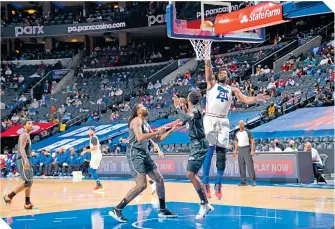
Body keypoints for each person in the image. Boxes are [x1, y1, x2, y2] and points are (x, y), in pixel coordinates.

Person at [202, 56, 269, 199]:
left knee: (221, 153)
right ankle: (205, 182)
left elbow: (246, 99)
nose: (221, 73)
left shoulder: (233, 89)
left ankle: (218, 183)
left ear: (228, 76)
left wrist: (256, 98)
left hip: (223, 121)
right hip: (210, 118)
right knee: (209, 150)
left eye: (224, 72)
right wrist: (207, 61)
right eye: (219, 72)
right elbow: (208, 74)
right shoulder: (212, 84)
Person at [109, 104, 180, 223]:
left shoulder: (145, 123)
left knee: (159, 179)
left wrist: (171, 130)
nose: (146, 107)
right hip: (135, 153)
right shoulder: (135, 121)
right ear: (138, 111)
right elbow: (140, 138)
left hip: (144, 153)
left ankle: (162, 209)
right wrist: (158, 131)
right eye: (143, 107)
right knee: (141, 185)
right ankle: (117, 209)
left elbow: (158, 139)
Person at [172, 90, 214, 219]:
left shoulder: (196, 110)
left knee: (190, 174)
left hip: (199, 144)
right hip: (196, 143)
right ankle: (205, 204)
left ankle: (204, 204)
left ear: (190, 99)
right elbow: (185, 120)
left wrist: (177, 107)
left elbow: (185, 118)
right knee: (191, 174)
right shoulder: (193, 109)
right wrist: (183, 108)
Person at [3, 120, 34, 209]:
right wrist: (25, 160)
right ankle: (8, 196)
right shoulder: (24, 135)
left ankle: (27, 203)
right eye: (29, 123)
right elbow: (21, 149)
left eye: (32, 123)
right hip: (23, 159)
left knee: (30, 181)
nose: (31, 124)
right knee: (27, 182)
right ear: (24, 126)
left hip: (26, 159)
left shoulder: (27, 135)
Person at [233, 120, 256, 186]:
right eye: (240, 124)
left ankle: (253, 181)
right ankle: (243, 181)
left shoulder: (248, 131)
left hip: (247, 148)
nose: (241, 125)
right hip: (240, 149)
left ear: (244, 124)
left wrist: (252, 150)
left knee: (250, 165)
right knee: (241, 166)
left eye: (242, 123)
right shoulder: (237, 133)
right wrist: (236, 151)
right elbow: (236, 142)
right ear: (238, 125)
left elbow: (252, 141)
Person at [81, 127, 104, 192]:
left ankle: (99, 185)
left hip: (96, 155)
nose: (89, 132)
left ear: (93, 131)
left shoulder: (93, 137)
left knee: (91, 170)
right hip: (96, 155)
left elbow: (95, 147)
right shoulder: (93, 138)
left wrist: (86, 151)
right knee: (92, 170)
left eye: (90, 131)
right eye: (88, 131)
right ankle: (98, 185)